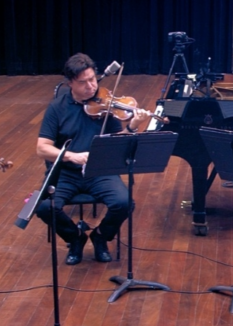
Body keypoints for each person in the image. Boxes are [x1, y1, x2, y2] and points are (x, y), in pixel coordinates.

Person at [35, 53, 151, 265]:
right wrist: (72, 156)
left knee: (124, 203)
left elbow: (118, 142)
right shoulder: (57, 108)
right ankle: (75, 238)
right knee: (43, 207)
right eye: (83, 82)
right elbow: (42, 148)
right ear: (70, 83)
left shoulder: (107, 104)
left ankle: (100, 237)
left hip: (99, 170)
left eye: (92, 79)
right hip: (65, 173)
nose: (91, 86)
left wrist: (132, 127)